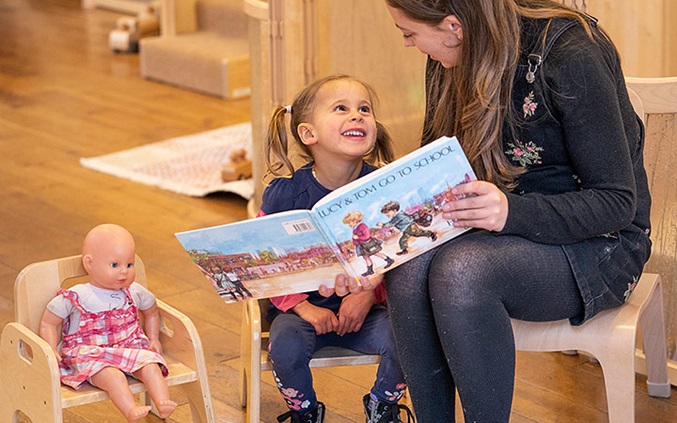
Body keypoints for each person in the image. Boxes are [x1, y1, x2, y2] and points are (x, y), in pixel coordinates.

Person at [331, 1, 652, 421]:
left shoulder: (571, 53)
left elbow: (615, 203)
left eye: (408, 33)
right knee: (407, 269)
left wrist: (508, 213)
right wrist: (377, 253)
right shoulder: (449, 57)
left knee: (462, 272)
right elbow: (438, 187)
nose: (409, 44)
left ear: (454, 26)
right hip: (491, 230)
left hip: (599, 244)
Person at [258, 74, 413, 423]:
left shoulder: (385, 189)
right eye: (341, 108)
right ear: (308, 134)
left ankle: (381, 406)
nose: (357, 116)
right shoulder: (284, 195)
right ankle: (305, 412)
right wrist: (302, 308)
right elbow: (265, 265)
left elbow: (400, 255)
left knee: (409, 335)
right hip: (300, 313)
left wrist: (367, 297)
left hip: (367, 310)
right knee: (284, 345)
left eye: (364, 109)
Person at [39, 224, 177, 423]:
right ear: (89, 264)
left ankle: (163, 402)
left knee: (151, 366)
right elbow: (49, 322)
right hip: (91, 354)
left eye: (129, 265)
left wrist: (154, 337)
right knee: (114, 377)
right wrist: (51, 348)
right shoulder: (78, 295)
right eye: (115, 265)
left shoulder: (134, 291)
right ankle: (130, 409)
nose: (124, 272)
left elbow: (152, 311)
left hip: (128, 346)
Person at [342, 210, 395, 276]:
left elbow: (367, 236)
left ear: (355, 220)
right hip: (363, 245)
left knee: (376, 253)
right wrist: (355, 243)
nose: (349, 225)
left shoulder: (362, 226)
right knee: (365, 257)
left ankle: (389, 260)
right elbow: (355, 238)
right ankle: (370, 270)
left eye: (350, 222)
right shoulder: (355, 229)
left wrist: (358, 237)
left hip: (368, 243)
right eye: (348, 223)